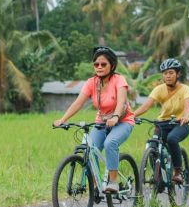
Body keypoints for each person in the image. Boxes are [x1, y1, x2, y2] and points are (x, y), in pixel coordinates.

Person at [53, 47, 135, 193]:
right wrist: (63, 119)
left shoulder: (119, 80)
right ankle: (96, 185)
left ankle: (113, 182)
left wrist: (116, 116)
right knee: (90, 148)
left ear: (112, 66)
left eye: (103, 64)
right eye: (96, 64)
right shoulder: (92, 83)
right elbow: (78, 103)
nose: (99, 67)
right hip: (102, 122)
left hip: (123, 121)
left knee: (110, 143)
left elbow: (122, 102)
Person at [133, 58, 189, 184]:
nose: (168, 76)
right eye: (165, 73)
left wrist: (186, 116)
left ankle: (178, 171)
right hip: (162, 123)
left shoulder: (185, 89)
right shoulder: (159, 89)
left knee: (171, 139)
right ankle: (158, 175)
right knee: (152, 145)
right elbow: (145, 106)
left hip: (180, 123)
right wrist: (131, 115)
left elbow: (188, 106)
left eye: (171, 73)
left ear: (178, 74)